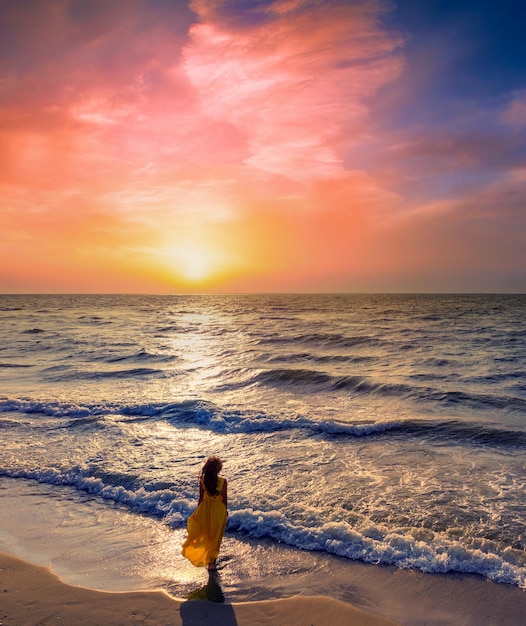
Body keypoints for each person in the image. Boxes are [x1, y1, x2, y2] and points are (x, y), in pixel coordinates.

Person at [182, 456, 228, 571]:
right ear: (218, 469)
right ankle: (212, 561)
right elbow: (224, 498)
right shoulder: (223, 481)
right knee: (216, 536)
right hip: (218, 510)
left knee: (206, 534)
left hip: (205, 509)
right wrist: (225, 511)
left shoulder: (203, 481)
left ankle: (209, 560)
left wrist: (198, 511)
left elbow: (201, 498)